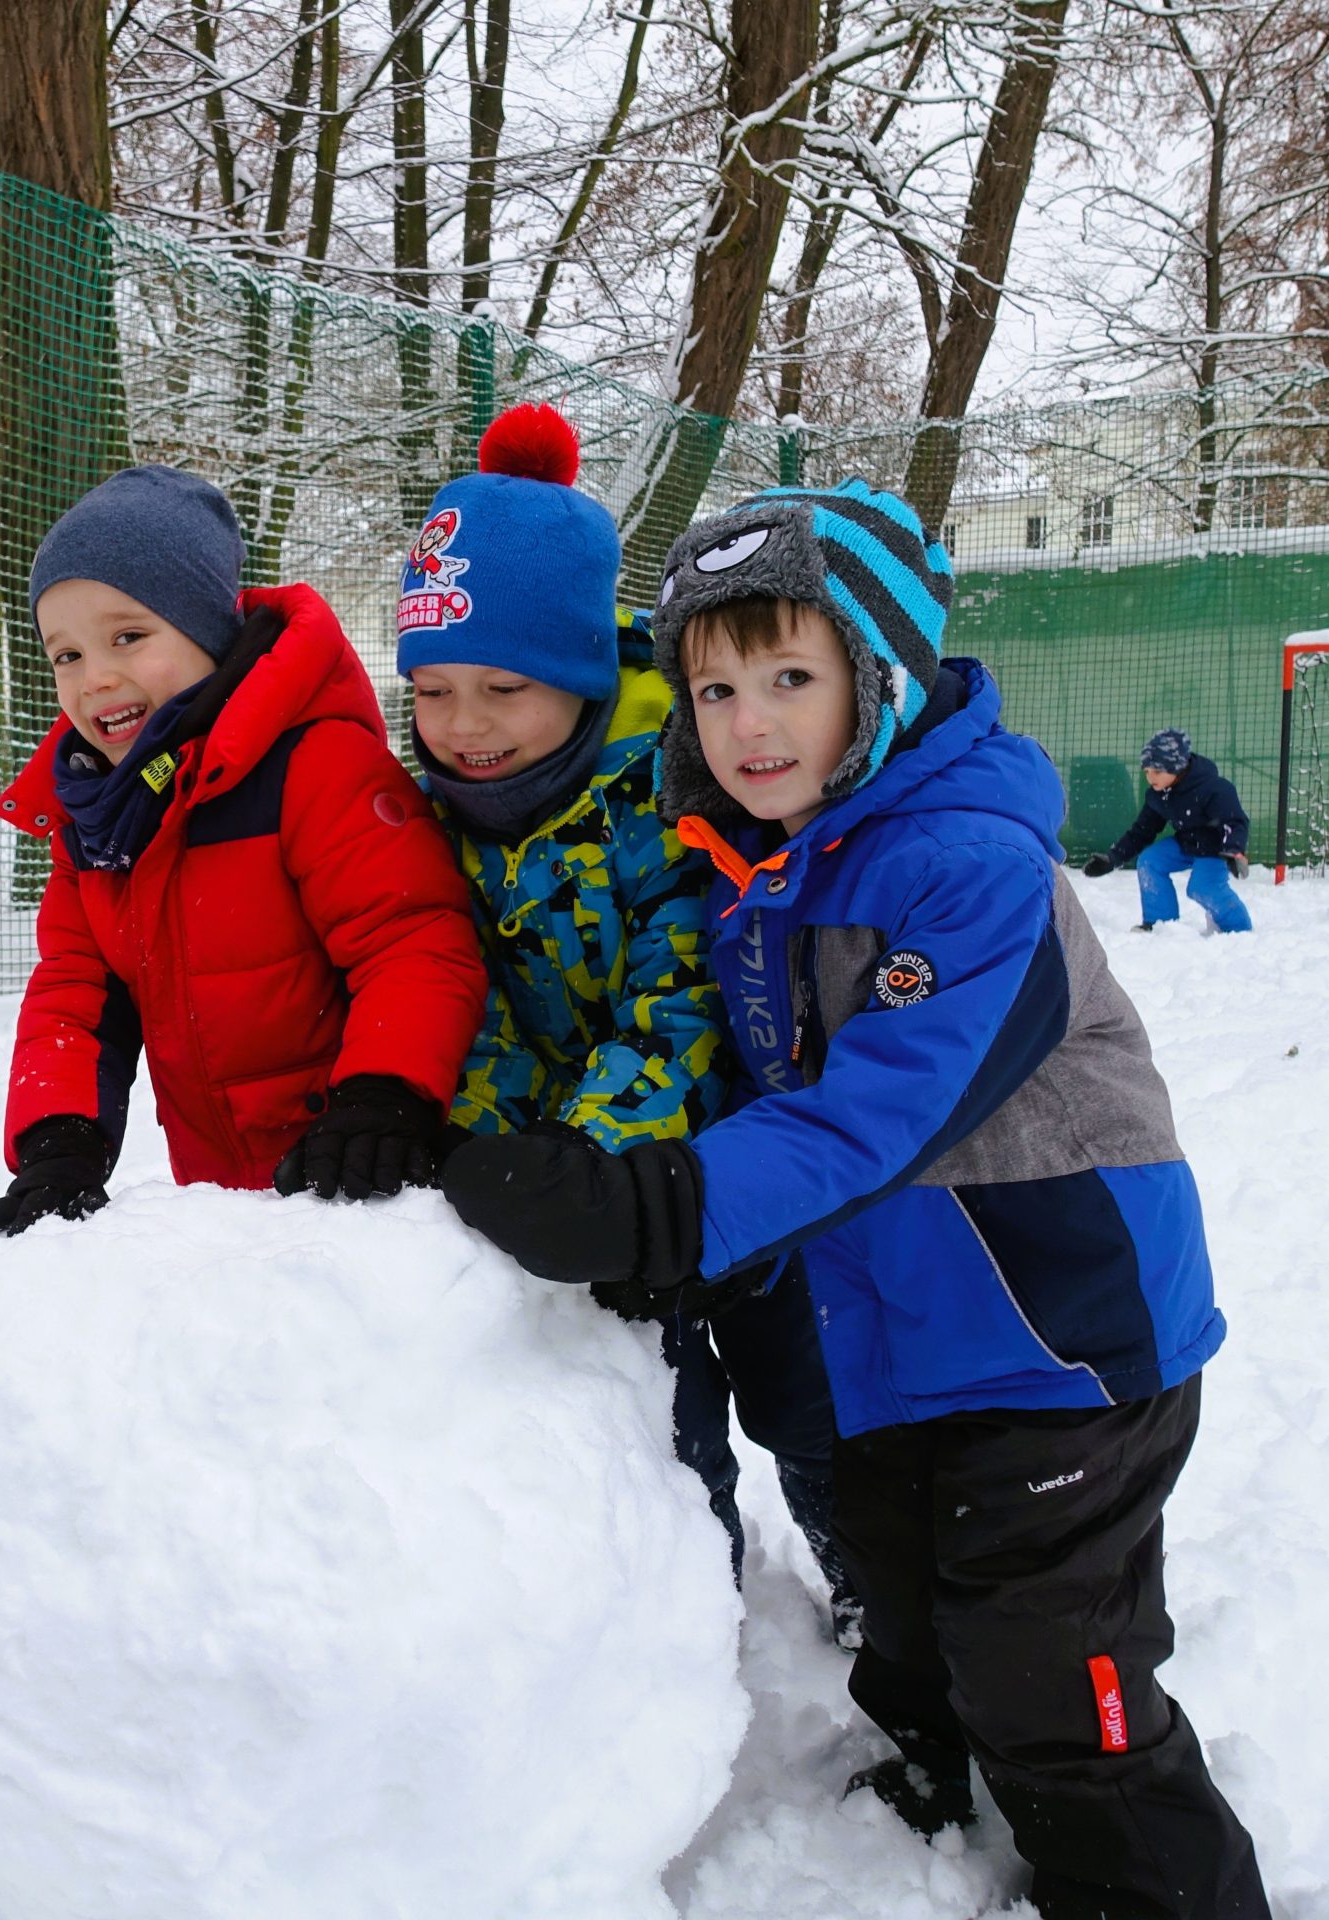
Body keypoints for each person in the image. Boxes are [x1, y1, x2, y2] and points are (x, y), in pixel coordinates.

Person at [442, 480, 1269, 1920]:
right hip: (896, 1332)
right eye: (713, 689)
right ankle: (942, 1768)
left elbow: (868, 1118)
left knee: (1049, 1661)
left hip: (1061, 1339)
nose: (746, 725)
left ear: (876, 685)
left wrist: (651, 1205)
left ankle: (1151, 1879)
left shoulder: (969, 866)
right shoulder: (763, 855)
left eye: (790, 679)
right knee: (902, 1597)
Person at [397, 402, 857, 1633]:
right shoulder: (437, 821)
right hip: (591, 1198)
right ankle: (688, 1632)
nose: (463, 725)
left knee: (809, 1407)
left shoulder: (669, 797)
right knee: (664, 1426)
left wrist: (591, 1153)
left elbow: (686, 997)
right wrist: (489, 1149)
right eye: (431, 690)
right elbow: (473, 1003)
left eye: (503, 687)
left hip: (727, 1178)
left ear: (583, 678)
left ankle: (867, 1579)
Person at [0, 465, 487, 1235]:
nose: (95, 678)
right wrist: (59, 1147)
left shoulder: (313, 764)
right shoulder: (96, 816)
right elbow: (76, 990)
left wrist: (383, 1096)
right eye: (66, 655)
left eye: (128, 637)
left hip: (371, 1180)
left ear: (205, 630)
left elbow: (410, 940)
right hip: (227, 1210)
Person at [1083, 730, 1253, 933]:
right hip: (1185, 843)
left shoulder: (1214, 788)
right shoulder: (1160, 795)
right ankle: (1160, 924)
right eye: (1146, 771)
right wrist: (1113, 858)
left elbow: (1235, 821)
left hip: (1215, 849)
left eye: (1156, 771)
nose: (1150, 777)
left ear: (1176, 767)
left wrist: (1234, 851)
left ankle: (1239, 930)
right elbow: (1141, 831)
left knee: (1202, 888)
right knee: (1150, 861)